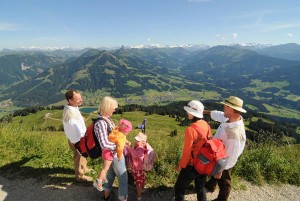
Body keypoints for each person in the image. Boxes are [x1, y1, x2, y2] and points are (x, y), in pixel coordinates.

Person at [204, 96, 247, 201]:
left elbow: (231, 156)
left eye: (225, 106)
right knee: (215, 172)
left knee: (224, 181)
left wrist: (221, 169)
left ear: (231, 109)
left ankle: (222, 198)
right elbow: (219, 115)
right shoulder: (231, 118)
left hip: (225, 161)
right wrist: (205, 112)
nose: (223, 108)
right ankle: (210, 186)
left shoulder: (234, 134)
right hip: (219, 155)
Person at [174, 100, 212, 201]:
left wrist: (180, 166)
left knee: (179, 188)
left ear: (192, 113)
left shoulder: (191, 130)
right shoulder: (206, 124)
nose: (187, 113)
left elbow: (187, 152)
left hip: (192, 165)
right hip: (204, 162)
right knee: (200, 187)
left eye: (188, 111)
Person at [94, 96, 128, 201]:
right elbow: (104, 143)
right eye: (113, 107)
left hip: (111, 154)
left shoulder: (107, 118)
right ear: (108, 107)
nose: (114, 109)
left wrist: (123, 140)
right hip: (113, 154)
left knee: (110, 176)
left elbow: (113, 135)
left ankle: (106, 196)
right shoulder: (101, 123)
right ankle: (123, 199)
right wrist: (118, 146)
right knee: (123, 179)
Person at [62, 89, 93, 182]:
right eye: (78, 99)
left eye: (80, 98)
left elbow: (76, 115)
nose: (81, 100)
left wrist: (80, 117)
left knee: (83, 155)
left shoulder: (72, 107)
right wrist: (80, 141)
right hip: (77, 139)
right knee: (79, 156)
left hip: (80, 138)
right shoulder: (70, 116)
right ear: (70, 101)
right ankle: (79, 176)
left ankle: (84, 168)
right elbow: (73, 129)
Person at [93, 119, 132, 192]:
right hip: (109, 153)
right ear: (125, 131)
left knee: (106, 168)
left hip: (105, 151)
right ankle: (98, 182)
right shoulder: (121, 137)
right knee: (105, 168)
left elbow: (121, 138)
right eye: (128, 131)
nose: (128, 133)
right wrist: (119, 157)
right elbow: (120, 149)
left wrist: (126, 142)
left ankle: (103, 179)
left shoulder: (117, 130)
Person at [125, 132, 149, 201]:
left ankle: (139, 196)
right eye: (136, 140)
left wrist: (129, 147)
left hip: (138, 170)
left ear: (143, 142)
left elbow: (135, 155)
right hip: (138, 169)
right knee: (142, 180)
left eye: (138, 141)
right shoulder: (137, 148)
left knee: (138, 183)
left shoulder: (141, 149)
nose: (136, 141)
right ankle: (142, 190)